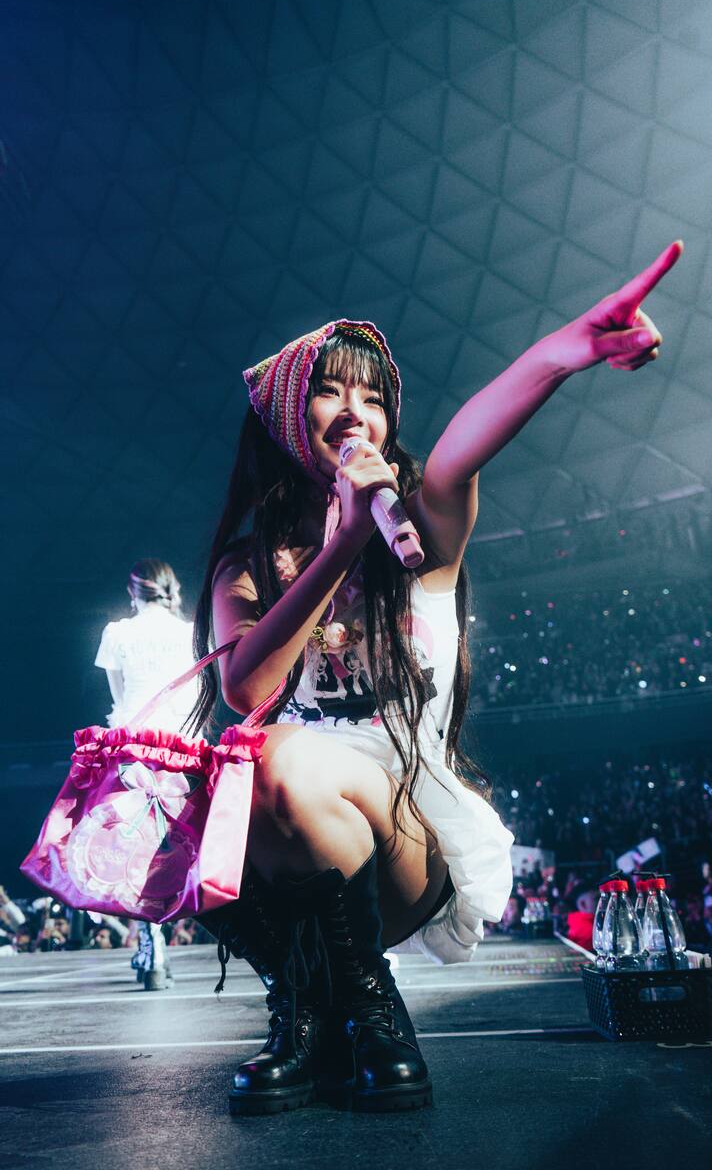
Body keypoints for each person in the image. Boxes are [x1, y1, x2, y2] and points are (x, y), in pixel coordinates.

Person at [191, 241, 682, 1116]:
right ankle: (309, 1014)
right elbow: (246, 690)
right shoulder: (246, 569)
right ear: (288, 418)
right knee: (209, 786)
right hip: (291, 853)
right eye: (331, 391)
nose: (357, 413)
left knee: (280, 757)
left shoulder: (421, 529)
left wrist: (569, 349)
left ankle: (373, 1013)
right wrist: (337, 544)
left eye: (375, 398)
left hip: (406, 843)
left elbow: (465, 442)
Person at [95, 559, 197, 990]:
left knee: (135, 846)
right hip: (183, 746)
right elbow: (199, 693)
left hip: (136, 747)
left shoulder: (117, 633)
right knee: (183, 844)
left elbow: (120, 702)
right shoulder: (190, 631)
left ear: (132, 592)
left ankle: (151, 942)